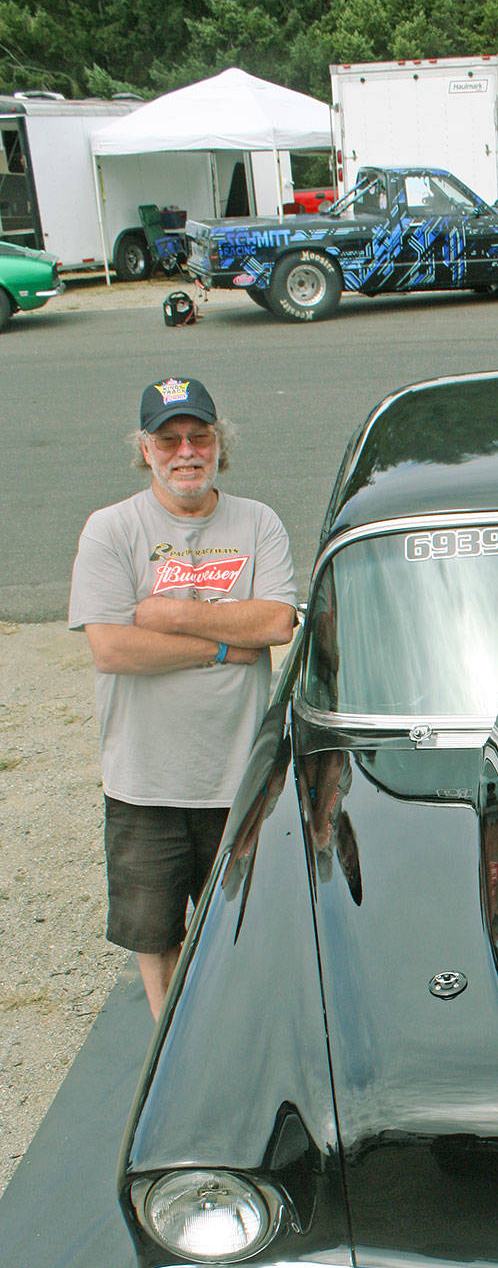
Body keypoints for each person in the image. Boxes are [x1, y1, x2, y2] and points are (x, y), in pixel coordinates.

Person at [68, 377, 298, 1018]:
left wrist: (163, 615)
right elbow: (112, 648)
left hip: (241, 781)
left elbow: (278, 624)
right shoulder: (111, 529)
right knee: (158, 940)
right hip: (145, 783)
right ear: (145, 449)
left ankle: (246, 1050)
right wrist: (223, 646)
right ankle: (169, 1059)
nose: (186, 452)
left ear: (220, 443)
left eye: (200, 436)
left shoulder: (259, 523)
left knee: (249, 936)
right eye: (169, 440)